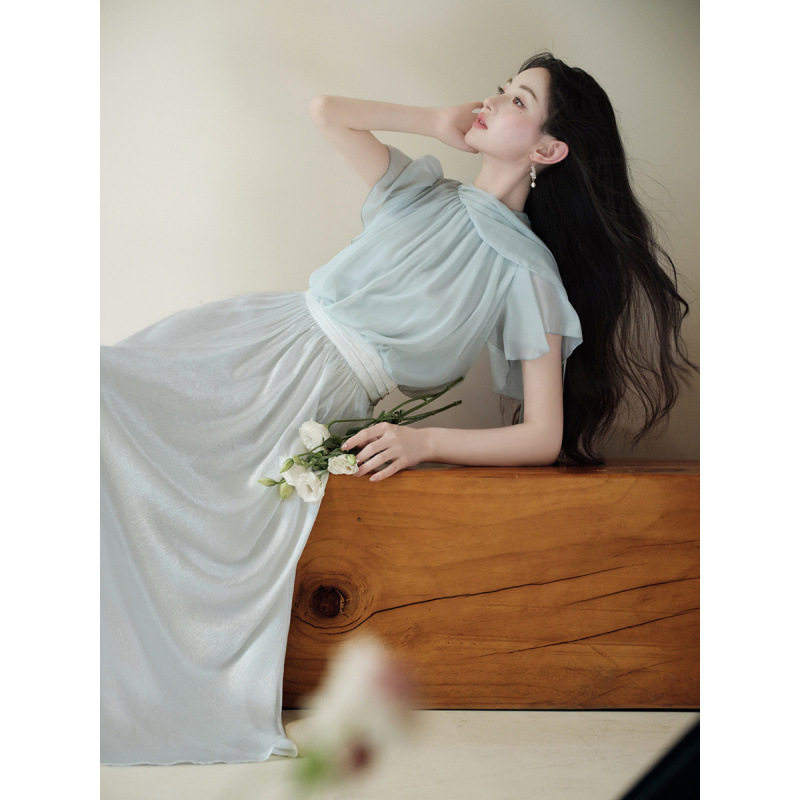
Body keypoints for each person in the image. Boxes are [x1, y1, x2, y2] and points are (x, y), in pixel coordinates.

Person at [100, 52, 693, 764]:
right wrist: (436, 121)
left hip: (297, 398)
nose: (492, 100)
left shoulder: (526, 272)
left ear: (547, 149)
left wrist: (426, 442)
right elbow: (327, 111)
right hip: (239, 340)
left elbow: (543, 434)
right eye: (500, 87)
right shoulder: (420, 193)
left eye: (517, 100)